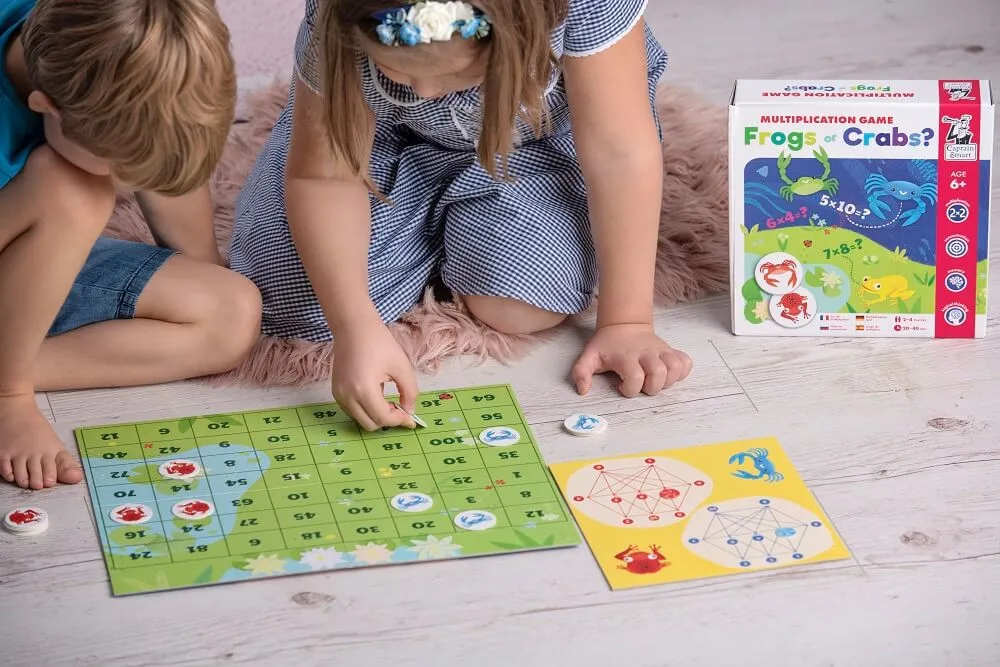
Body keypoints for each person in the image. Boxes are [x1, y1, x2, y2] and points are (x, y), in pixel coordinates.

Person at [229, 0, 692, 432]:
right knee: (294, 306)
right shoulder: (338, 13)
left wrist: (626, 323)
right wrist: (355, 327)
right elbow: (325, 176)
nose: (425, 91)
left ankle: (460, 221)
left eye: (456, 72)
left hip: (532, 140)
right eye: (397, 70)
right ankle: (427, 208)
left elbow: (619, 153)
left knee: (518, 304)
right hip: (381, 133)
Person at [0, 0, 262, 490]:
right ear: (45, 107)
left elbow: (163, 165)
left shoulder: (102, 39)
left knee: (231, 310)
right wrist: (12, 397)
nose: (135, 185)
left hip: (32, 258)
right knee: (73, 190)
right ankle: (6, 389)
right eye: (128, 171)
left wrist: (203, 270)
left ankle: (14, 363)